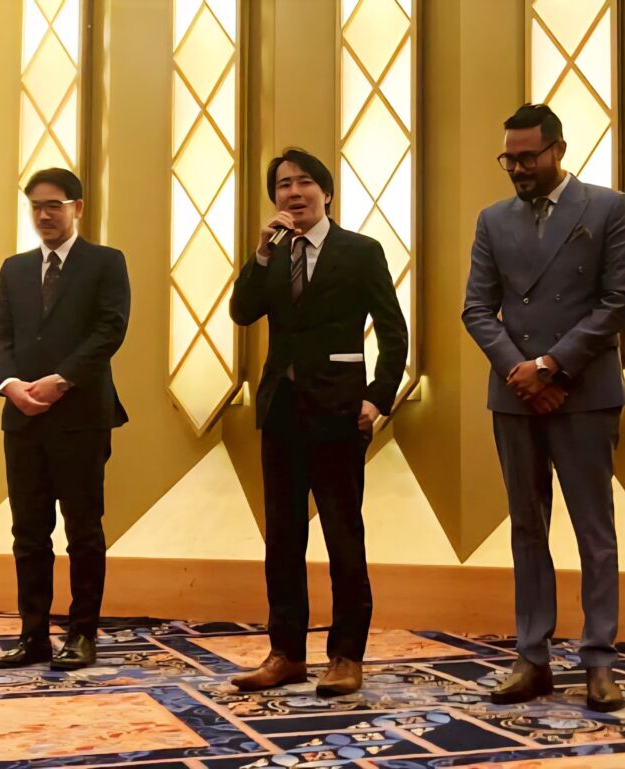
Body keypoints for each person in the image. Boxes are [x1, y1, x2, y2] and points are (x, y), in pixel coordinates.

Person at [462, 104, 625, 709]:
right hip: (515, 395)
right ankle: (531, 657)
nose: (517, 168)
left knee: (595, 530)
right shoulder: (492, 220)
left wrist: (550, 366)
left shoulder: (609, 208)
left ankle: (599, 662)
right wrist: (523, 372)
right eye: (508, 158)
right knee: (526, 528)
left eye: (527, 157)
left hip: (584, 391)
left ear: (558, 150)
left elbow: (618, 301)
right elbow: (476, 308)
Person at [229, 148, 408, 697]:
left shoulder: (360, 251)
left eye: (304, 182)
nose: (293, 192)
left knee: (342, 535)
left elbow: (393, 330)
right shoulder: (274, 255)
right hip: (281, 409)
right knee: (282, 538)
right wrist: (261, 255)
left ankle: (346, 655)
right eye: (283, 185)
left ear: (326, 192)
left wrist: (377, 399)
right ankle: (285, 653)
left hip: (339, 410)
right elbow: (242, 312)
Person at [0, 167, 130, 670]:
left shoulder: (105, 262)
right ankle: (33, 635)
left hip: (81, 416)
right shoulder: (14, 268)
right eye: (36, 206)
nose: (44, 215)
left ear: (78, 208)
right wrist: (10, 384)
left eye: (54, 205)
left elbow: (110, 330)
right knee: (28, 532)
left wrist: (62, 380)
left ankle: (82, 634)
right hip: (22, 417)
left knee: (83, 531)